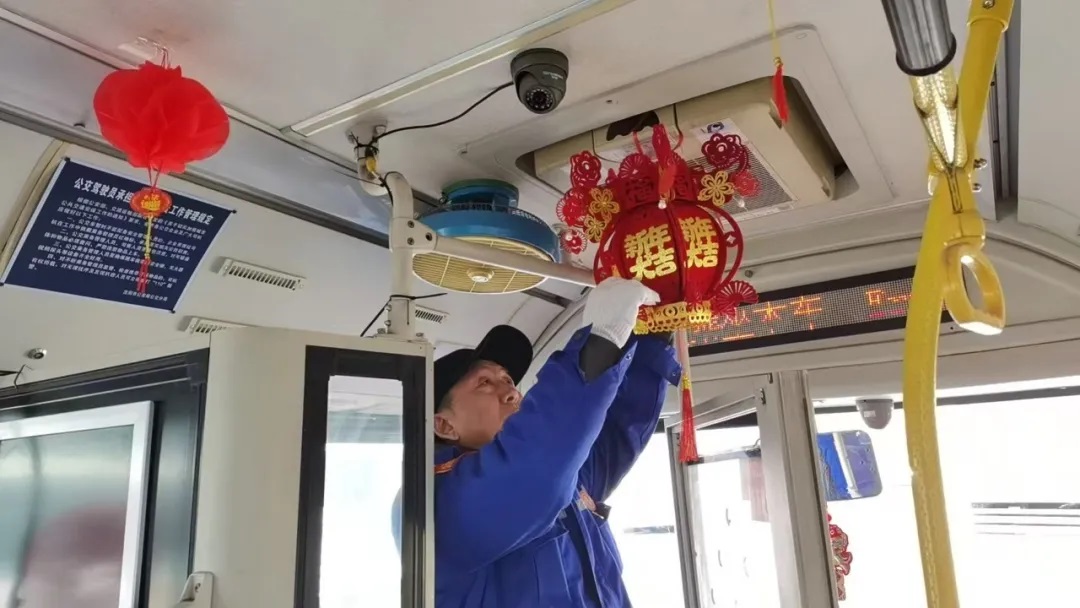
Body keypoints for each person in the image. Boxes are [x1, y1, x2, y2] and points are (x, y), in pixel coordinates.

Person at [393, 277, 682, 607]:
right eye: (484, 383)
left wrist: (655, 332)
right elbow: (535, 462)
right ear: (444, 425)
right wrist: (601, 339)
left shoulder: (565, 473)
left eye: (508, 380)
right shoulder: (431, 503)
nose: (511, 391)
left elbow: (620, 426)